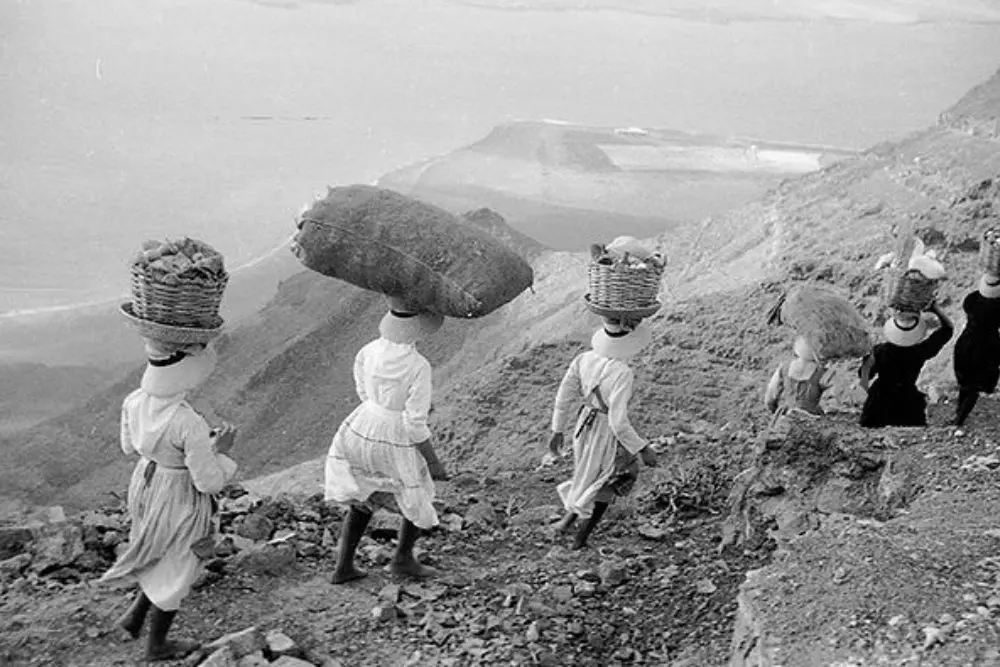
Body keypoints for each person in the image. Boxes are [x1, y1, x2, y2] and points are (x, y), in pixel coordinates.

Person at [101, 340, 238, 662]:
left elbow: (128, 447)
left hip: (147, 481)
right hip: (178, 492)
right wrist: (222, 450)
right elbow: (208, 482)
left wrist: (176, 451)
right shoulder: (187, 422)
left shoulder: (134, 400)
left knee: (156, 552)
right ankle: (157, 645)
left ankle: (133, 619)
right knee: (177, 564)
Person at [325, 296, 449, 584]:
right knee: (415, 490)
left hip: (361, 426)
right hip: (395, 433)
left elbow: (362, 389)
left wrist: (379, 409)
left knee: (362, 497)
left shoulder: (367, 350)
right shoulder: (419, 366)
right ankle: (403, 558)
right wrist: (434, 462)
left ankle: (343, 566)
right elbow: (415, 423)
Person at [548, 317, 658, 550]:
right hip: (604, 430)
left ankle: (566, 522)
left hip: (583, 424)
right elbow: (618, 422)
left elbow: (564, 396)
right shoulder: (623, 373)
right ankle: (580, 539)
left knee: (585, 472)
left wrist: (557, 429)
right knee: (608, 481)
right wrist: (642, 448)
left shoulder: (583, 359)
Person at [859, 303, 953, 428]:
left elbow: (864, 375)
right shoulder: (920, 351)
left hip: (879, 402)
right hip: (907, 401)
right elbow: (948, 328)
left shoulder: (880, 351)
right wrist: (935, 309)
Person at [952, 274, 1000, 427]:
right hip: (987, 347)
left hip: (966, 343)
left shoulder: (971, 300)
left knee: (965, 384)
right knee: (975, 387)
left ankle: (958, 414)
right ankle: (959, 420)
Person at [764, 336, 833, 417]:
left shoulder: (784, 367)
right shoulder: (822, 373)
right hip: (811, 422)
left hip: (786, 418)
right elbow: (831, 401)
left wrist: (775, 412)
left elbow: (770, 398)